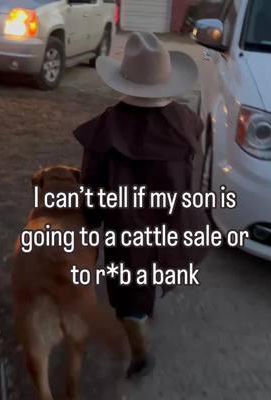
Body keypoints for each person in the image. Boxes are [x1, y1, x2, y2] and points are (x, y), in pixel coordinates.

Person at [73, 32, 209, 379]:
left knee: (129, 299)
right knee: (157, 271)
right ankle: (148, 309)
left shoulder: (106, 127)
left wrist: (90, 222)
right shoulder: (187, 122)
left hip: (127, 228)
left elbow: (92, 187)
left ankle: (140, 354)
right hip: (175, 223)